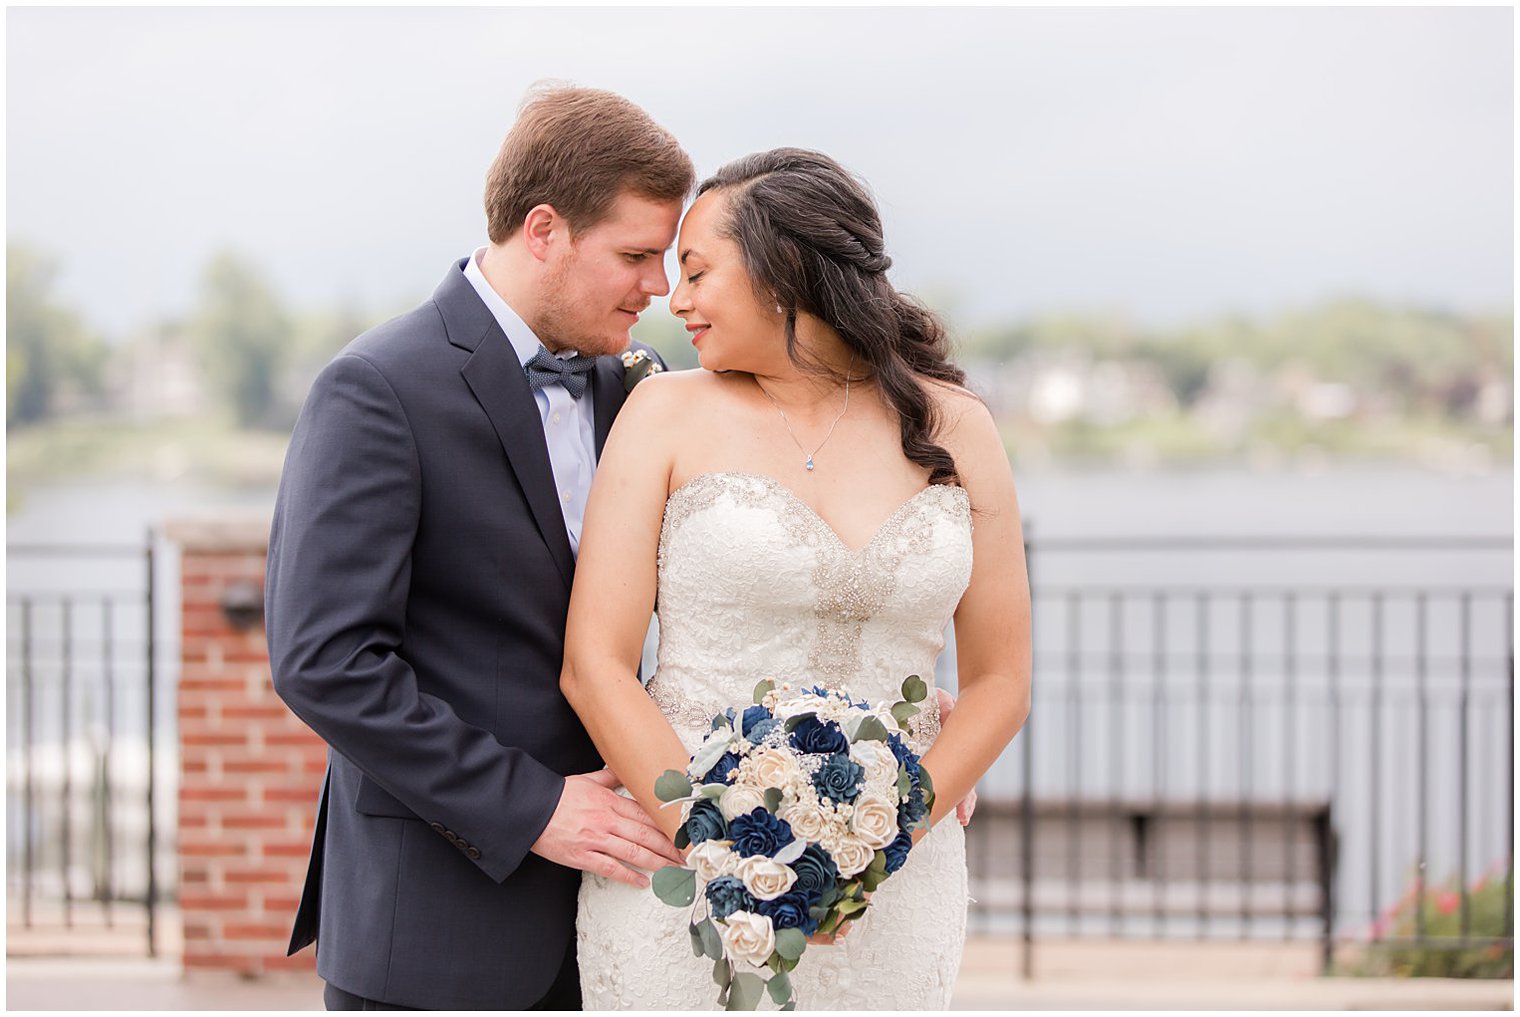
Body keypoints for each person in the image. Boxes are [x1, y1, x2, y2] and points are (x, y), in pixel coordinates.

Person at [560, 148, 1033, 1008]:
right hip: (683, 873)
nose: (676, 298)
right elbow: (594, 663)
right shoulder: (663, 413)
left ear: (782, 273)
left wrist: (879, 840)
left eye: (699, 271)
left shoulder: (956, 427)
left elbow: (1002, 680)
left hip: (892, 885)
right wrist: (721, 849)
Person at [264, 85, 695, 1010]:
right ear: (544, 230)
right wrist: (533, 806)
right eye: (635, 254)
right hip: (435, 928)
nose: (657, 286)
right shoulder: (376, 387)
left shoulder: (637, 391)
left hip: (620, 932)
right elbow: (325, 661)